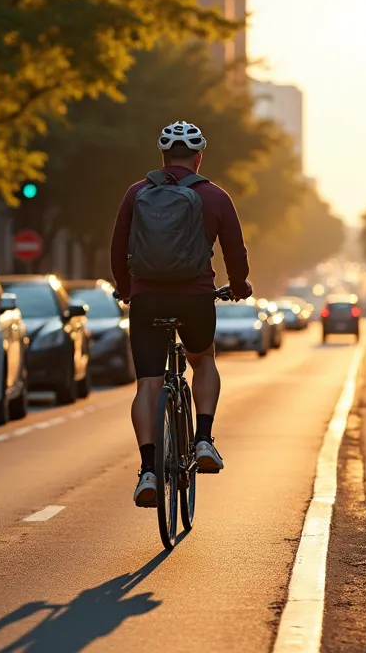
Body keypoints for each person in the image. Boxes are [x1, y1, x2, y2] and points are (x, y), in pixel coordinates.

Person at [110, 121, 253, 507]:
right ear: (198, 156)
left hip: (147, 301)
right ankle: (203, 439)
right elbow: (235, 254)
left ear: (162, 156)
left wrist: (127, 291)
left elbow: (117, 248)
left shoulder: (136, 193)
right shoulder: (215, 197)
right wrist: (239, 286)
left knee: (148, 386)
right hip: (195, 299)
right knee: (203, 361)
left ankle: (148, 471)